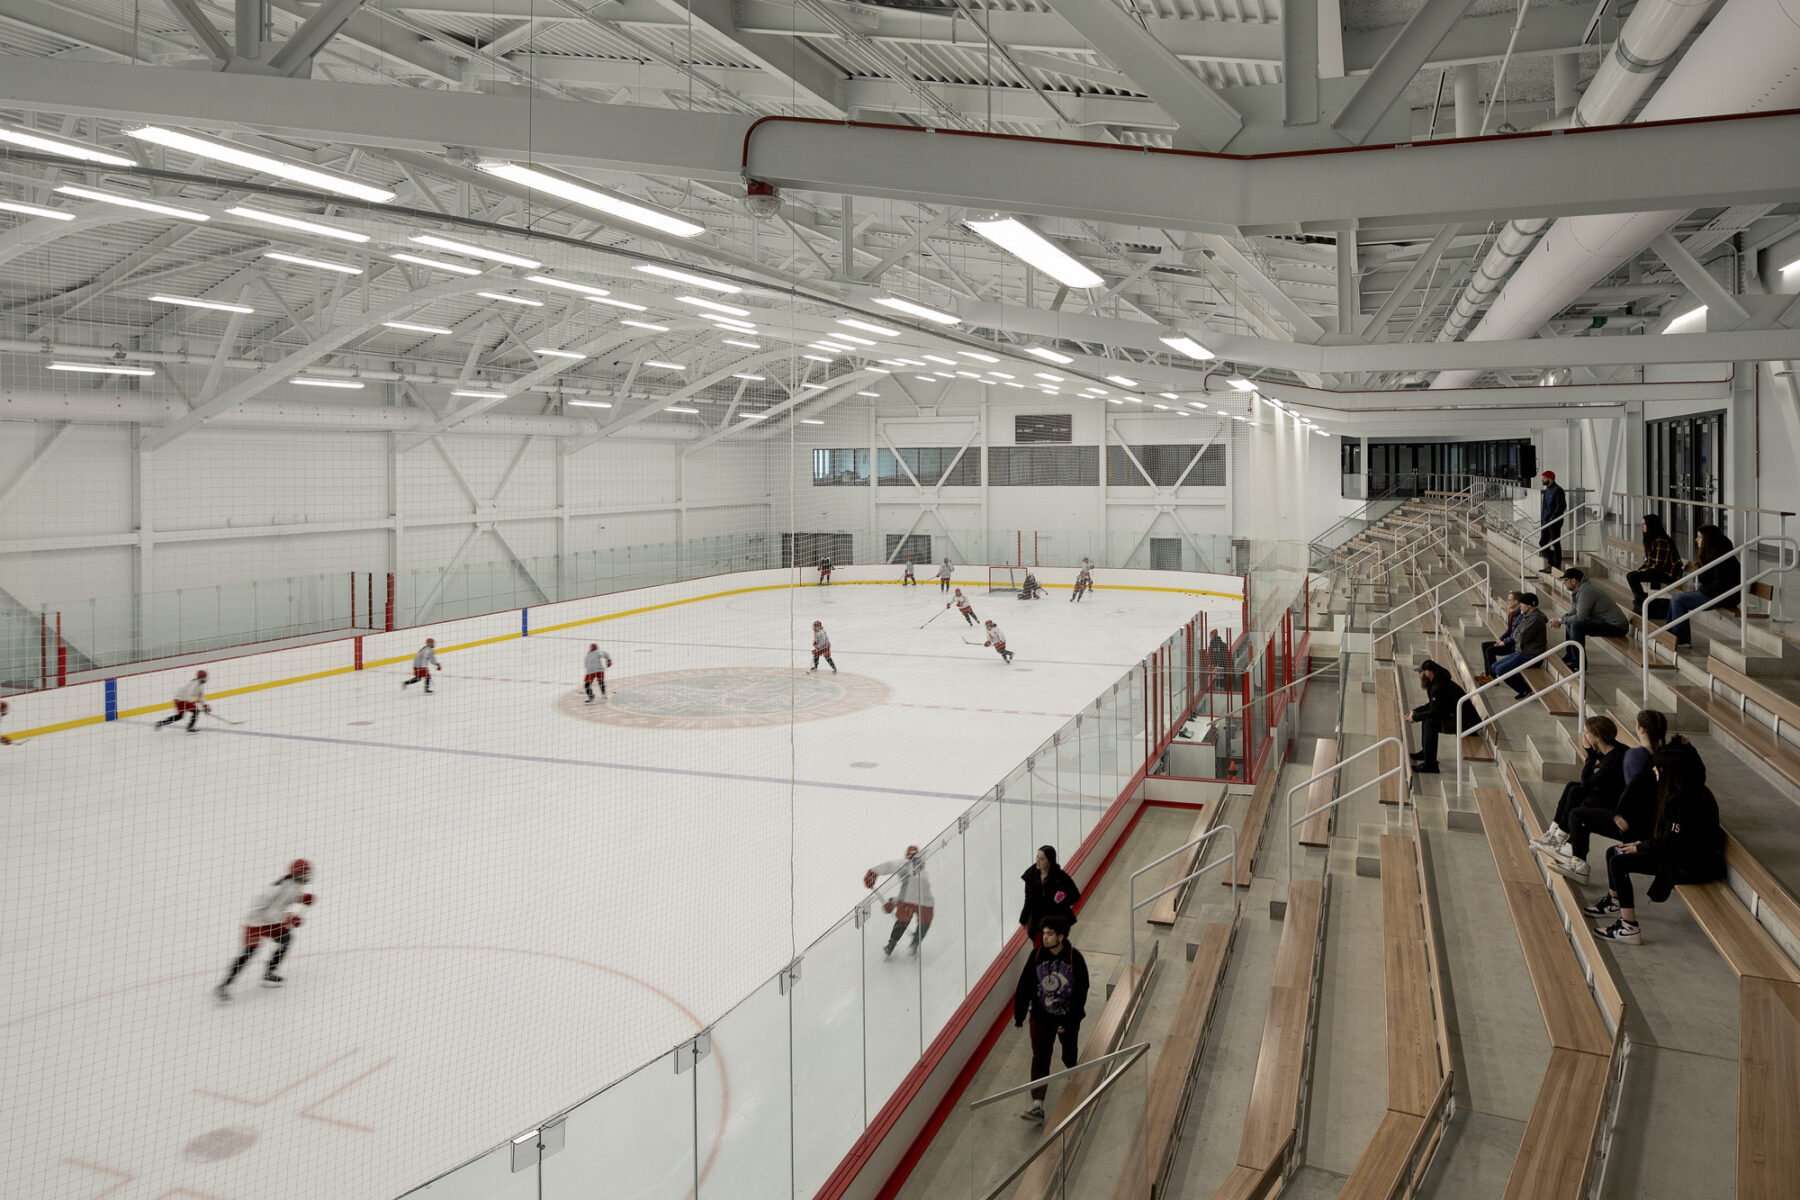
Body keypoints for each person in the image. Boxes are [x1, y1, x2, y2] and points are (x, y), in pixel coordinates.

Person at [1588, 741, 1724, 945]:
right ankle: (1615, 902)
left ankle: (1629, 928)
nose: (1653, 769)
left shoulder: (1683, 801)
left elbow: (1673, 844)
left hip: (1690, 865)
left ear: (1667, 771)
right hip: (1680, 854)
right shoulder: (1683, 791)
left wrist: (1640, 846)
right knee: (1614, 852)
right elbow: (1672, 839)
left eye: (1656, 766)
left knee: (1619, 861)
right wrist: (1642, 843)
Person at [1012, 914, 1088, 1122]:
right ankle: (1038, 1103)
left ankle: (1074, 1071)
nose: (1045, 938)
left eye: (1050, 934)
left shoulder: (1074, 958)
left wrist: (1069, 1021)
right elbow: (1025, 984)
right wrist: (1020, 1013)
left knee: (1068, 1053)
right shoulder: (1036, 956)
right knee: (1040, 1058)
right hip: (1040, 1018)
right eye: (1044, 933)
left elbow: (1081, 992)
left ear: (1061, 936)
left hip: (1067, 1018)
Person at [1534, 717, 1628, 881]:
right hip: (1612, 795)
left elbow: (1587, 783)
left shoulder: (1611, 760)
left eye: (1586, 733)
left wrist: (1590, 754)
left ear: (1597, 737)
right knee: (1572, 786)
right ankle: (1555, 833)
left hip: (1618, 805)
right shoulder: (1614, 749)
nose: (1583, 736)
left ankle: (1561, 840)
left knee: (1578, 797)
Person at [216, 859, 314, 1002]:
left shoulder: (293, 884)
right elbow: (271, 911)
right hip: (255, 923)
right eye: (305, 873)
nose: (307, 876)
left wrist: (302, 898)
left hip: (270, 921)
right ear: (297, 874)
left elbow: (282, 902)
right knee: (248, 954)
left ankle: (269, 973)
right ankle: (223, 986)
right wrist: (290, 919)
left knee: (286, 939)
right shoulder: (287, 887)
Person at [1665, 525, 1740, 647]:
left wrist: (1703, 590)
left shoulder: (1722, 558)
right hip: (1713, 592)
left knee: (1678, 601)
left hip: (1723, 596)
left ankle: (1682, 639)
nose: (1696, 539)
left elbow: (1720, 584)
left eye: (1699, 537)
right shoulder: (1712, 554)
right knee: (1674, 599)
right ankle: (1670, 636)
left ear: (1708, 540)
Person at [1548, 569, 1628, 670]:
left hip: (1617, 626)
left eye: (1566, 580)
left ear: (1574, 581)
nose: (1564, 583)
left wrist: (1560, 621)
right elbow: (1574, 612)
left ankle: (1579, 665)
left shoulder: (1586, 591)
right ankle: (1570, 656)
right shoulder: (1581, 590)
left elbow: (1580, 617)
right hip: (1605, 621)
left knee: (1576, 626)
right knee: (1571, 623)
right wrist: (1562, 620)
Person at [865, 845, 934, 957]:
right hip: (918, 902)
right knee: (918, 919)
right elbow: (908, 891)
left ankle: (895, 943)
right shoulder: (912, 868)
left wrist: (873, 873)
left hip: (912, 901)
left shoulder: (908, 867)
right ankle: (912, 943)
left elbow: (890, 867)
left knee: (904, 919)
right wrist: (873, 873)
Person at [1403, 659, 1467, 773]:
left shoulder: (1439, 686)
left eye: (1420, 672)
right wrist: (1416, 711)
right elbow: (1433, 706)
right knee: (1427, 719)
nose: (1419, 675)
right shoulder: (1437, 682)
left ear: (1427, 672)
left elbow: (1435, 712)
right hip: (1456, 716)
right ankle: (1426, 753)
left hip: (1465, 723)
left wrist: (1415, 717)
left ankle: (1430, 764)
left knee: (1430, 723)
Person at [1487, 593, 1549, 700]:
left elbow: (1520, 637)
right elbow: (1516, 633)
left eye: (1522, 604)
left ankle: (1526, 689)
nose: (1520, 606)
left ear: (1529, 606)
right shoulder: (1528, 616)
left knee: (1501, 670)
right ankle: (1524, 685)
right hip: (1521, 651)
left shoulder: (1535, 619)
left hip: (1530, 655)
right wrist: (1516, 635)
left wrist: (1516, 636)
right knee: (1494, 667)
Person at [1019, 845, 1080, 944]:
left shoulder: (1060, 877)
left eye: (1042, 859)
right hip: (1037, 923)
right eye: (1037, 857)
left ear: (1049, 861)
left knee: (1055, 953)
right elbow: (1028, 900)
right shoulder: (1031, 876)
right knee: (1040, 953)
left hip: (1055, 923)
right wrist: (1023, 919)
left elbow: (1075, 895)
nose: (1037, 861)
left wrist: (1062, 899)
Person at [1626, 513, 1683, 614]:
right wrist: (1640, 570)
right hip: (1659, 571)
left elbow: (1658, 566)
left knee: (1633, 577)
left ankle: (1642, 603)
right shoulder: (1654, 540)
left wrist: (1641, 572)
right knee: (1631, 575)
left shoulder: (1661, 541)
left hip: (1668, 574)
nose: (1642, 526)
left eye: (1644, 524)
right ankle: (1641, 603)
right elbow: (1649, 561)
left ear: (1651, 525)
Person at [1478, 592, 1525, 675]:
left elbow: (1516, 636)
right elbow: (1509, 630)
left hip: (1514, 646)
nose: (1507, 601)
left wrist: (1503, 642)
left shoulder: (1521, 616)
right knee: (1484, 645)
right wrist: (1500, 639)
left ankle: (1491, 677)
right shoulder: (1512, 614)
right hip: (1509, 642)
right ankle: (1487, 674)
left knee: (1490, 650)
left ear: (1516, 602)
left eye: (1509, 600)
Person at [1539, 470, 1567, 570]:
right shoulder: (1547, 491)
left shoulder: (1558, 490)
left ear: (1550, 479)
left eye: (1544, 478)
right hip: (1546, 521)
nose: (1542, 480)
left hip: (1554, 521)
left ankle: (1556, 564)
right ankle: (1551, 561)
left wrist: (1552, 518)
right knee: (1542, 542)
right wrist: (1543, 520)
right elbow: (1545, 508)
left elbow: (1561, 506)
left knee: (1555, 542)